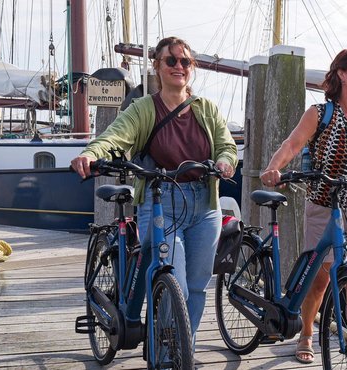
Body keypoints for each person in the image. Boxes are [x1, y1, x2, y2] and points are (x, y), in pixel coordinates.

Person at [70, 36, 238, 348]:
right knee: (174, 281)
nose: (179, 66)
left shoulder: (207, 109)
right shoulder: (145, 108)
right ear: (157, 67)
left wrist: (227, 161)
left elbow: (227, 145)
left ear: (192, 68)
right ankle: (165, 345)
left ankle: (180, 349)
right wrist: (92, 153)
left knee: (198, 285)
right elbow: (116, 135)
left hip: (205, 205)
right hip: (162, 202)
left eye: (185, 61)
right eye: (170, 60)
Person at [259, 48, 347, 364]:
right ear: (342, 74)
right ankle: (307, 333)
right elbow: (292, 144)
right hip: (324, 205)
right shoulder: (320, 114)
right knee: (320, 279)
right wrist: (273, 167)